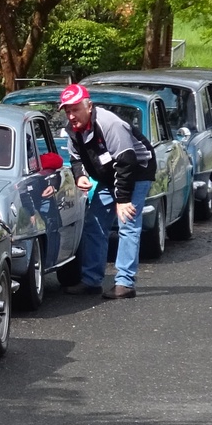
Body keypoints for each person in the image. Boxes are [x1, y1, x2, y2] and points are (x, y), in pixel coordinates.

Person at [62, 83, 157, 300]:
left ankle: (125, 283)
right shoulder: (73, 130)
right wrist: (80, 176)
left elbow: (126, 162)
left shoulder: (110, 124)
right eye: (67, 111)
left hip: (137, 171)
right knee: (94, 223)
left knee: (127, 222)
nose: (71, 116)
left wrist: (122, 200)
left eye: (75, 109)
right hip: (109, 174)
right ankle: (91, 280)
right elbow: (76, 158)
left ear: (89, 106)